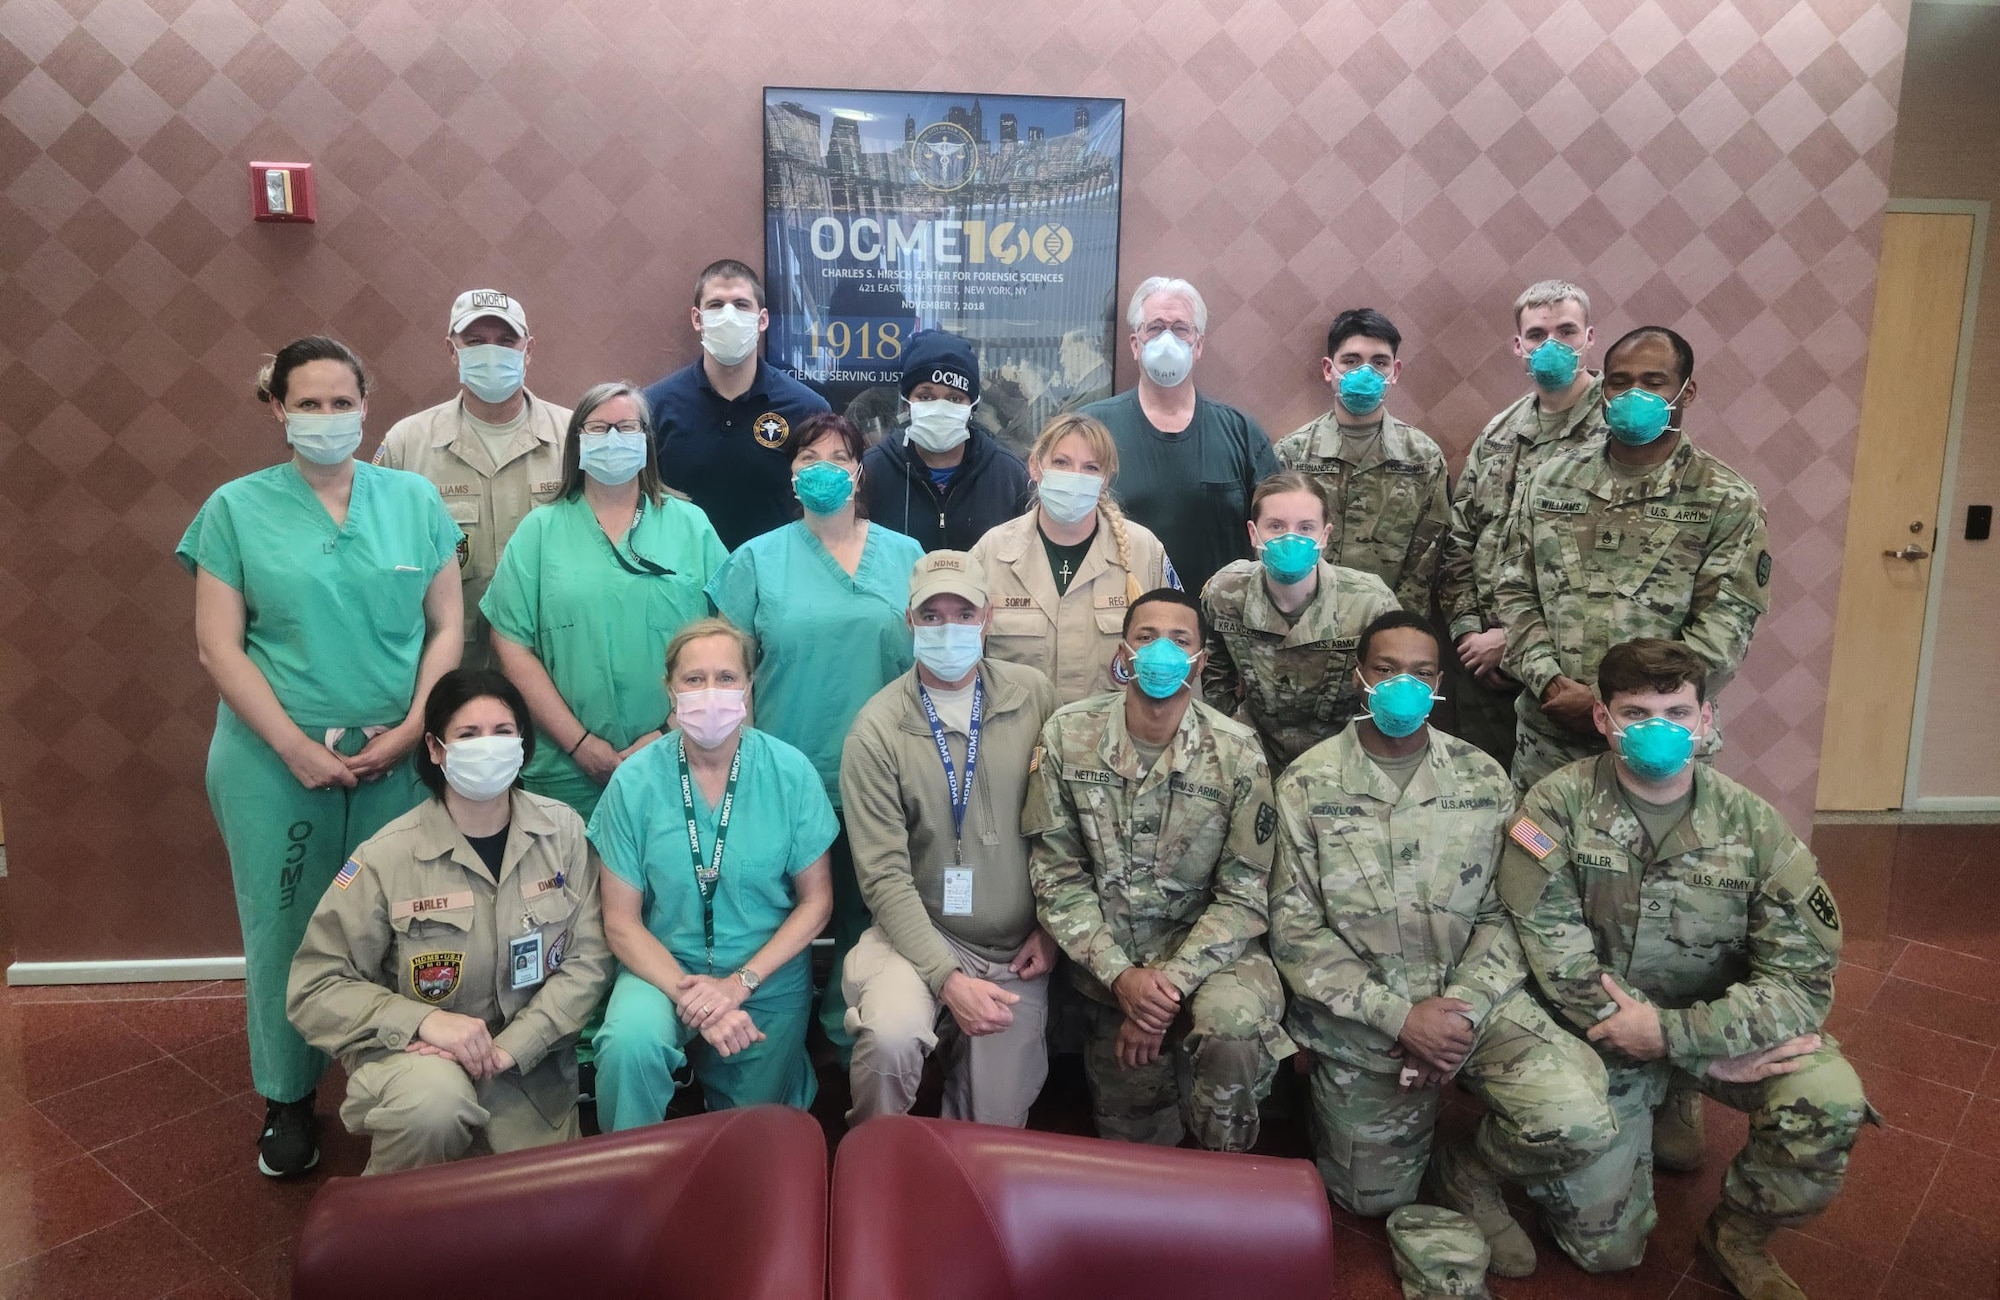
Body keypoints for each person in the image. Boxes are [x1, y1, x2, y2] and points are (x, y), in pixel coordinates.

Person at [1495, 639, 1869, 1300]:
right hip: (1599, 1035)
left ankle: (1738, 1236)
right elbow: (1554, 956)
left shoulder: (1755, 827)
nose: (1658, 728)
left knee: (1828, 1095)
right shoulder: (1553, 808)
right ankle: (1488, 1158)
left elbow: (1802, 979)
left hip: (1704, 1028)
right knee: (1607, 1254)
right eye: (1636, 712)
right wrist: (1648, 1039)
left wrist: (1682, 1041)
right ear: (1604, 721)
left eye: (1676, 711)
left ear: (1706, 721)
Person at [176, 336, 464, 1177]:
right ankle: (288, 1101)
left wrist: (416, 728)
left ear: (367, 406)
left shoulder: (413, 500)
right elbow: (217, 648)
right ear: (277, 409)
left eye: (343, 403)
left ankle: (409, 1080)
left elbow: (448, 624)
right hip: (273, 760)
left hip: (398, 752)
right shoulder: (234, 509)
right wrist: (295, 747)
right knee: (287, 932)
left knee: (417, 924)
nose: (327, 419)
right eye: (308, 404)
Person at [1268, 611, 1613, 1277]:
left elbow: (1511, 910)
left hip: (1475, 1011)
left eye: (1422, 673)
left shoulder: (1483, 779)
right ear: (1360, 676)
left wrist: (1455, 1012)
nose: (1405, 685)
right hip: (1365, 1021)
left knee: (1580, 1123)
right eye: (1389, 670)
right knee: (1371, 1200)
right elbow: (1295, 931)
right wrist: (1403, 1018)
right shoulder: (1306, 785)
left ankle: (1468, 1165)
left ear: (1440, 683)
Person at [287, 669, 610, 1174]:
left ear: (524, 745)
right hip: (421, 1064)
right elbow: (315, 987)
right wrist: (424, 1021)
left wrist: (510, 1048)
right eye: (468, 734)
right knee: (433, 1109)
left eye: (503, 733)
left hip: (528, 1069)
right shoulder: (387, 857)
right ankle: (383, 1234)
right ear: (436, 749)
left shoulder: (563, 833)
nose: (489, 747)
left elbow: (589, 960)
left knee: (530, 1230)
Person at [1020, 587, 1294, 1152]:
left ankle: (1227, 1175)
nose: (1161, 651)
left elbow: (1244, 897)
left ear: (1200, 658)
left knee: (1231, 1032)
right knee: (1135, 1149)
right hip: (1111, 972)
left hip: (1216, 964)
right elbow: (1057, 880)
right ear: (1124, 650)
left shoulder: (1238, 752)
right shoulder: (1068, 737)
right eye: (1146, 637)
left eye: (1180, 639)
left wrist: (1164, 990)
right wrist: (1122, 977)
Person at [706, 413, 925, 1056]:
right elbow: (726, 673)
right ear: (791, 475)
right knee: (780, 916)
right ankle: (771, 1047)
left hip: (882, 774)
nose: (823, 468)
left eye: (838, 456)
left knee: (866, 916)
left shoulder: (906, 556)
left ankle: (846, 1041)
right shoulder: (756, 560)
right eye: (808, 458)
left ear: (860, 471)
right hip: (784, 775)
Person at [1493, 325, 1769, 794]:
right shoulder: (1549, 480)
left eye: (1653, 381)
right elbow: (1514, 589)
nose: (1633, 393)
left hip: (1661, 744)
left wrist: (1611, 706)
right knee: (1539, 858)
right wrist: (1550, 683)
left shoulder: (1725, 498)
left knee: (1665, 863)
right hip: (1550, 739)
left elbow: (1725, 629)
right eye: (1619, 381)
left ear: (1687, 391)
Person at [841, 552, 1062, 1126]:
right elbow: (883, 876)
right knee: (889, 1040)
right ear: (910, 623)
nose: (948, 628)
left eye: (963, 612)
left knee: (993, 1127)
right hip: (916, 939)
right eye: (932, 615)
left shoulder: (1034, 695)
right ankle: (873, 1164)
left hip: (1017, 952)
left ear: (987, 618)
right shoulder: (877, 727)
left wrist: (1051, 929)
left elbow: (1067, 828)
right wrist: (947, 977)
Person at [589, 620, 836, 1125]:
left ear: (748, 688)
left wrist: (738, 985)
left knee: (755, 1135)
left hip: (763, 974)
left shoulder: (790, 773)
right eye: (694, 679)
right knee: (627, 1045)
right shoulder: (634, 782)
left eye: (726, 677)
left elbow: (817, 903)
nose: (710, 692)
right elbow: (620, 922)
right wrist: (700, 998)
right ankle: (629, 1180)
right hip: (662, 969)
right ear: (670, 690)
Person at [482, 382, 725, 822]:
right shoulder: (540, 531)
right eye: (598, 428)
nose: (613, 439)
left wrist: (668, 733)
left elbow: (726, 637)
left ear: (647, 441)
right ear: (577, 442)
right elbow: (511, 645)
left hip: (680, 755)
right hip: (566, 768)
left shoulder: (691, 525)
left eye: (626, 427)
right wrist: (579, 744)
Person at [1437, 281, 1605, 769]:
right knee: (1492, 805)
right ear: (1519, 346)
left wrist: (1515, 644)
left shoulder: (1620, 434)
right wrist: (1469, 633)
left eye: (1566, 331)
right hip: (1482, 671)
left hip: (1567, 676)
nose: (1551, 345)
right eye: (1537, 334)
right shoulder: (1499, 433)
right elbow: (1460, 538)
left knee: (1557, 814)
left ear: (1589, 337)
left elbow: (1621, 567)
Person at [374, 290, 569, 668]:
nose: (492, 352)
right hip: (447, 666)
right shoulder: (407, 443)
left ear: (528, 349)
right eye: (476, 342)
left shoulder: (574, 437)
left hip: (552, 660)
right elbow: (377, 558)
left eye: (506, 341)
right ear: (452, 350)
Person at [1078, 276, 1281, 595]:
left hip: (1219, 630)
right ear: (1135, 344)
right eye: (1156, 328)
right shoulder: (1091, 428)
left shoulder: (1241, 433)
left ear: (1198, 345)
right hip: (1118, 623)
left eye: (1180, 328)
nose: (1167, 339)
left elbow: (1276, 531)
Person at [971, 412, 1177, 704]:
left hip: (1109, 741)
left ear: (1105, 480)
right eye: (1061, 463)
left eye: (1091, 467)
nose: (1074, 477)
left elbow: (1176, 658)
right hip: (1018, 742)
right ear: (1035, 467)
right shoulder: (992, 552)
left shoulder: (1145, 552)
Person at [1200, 471, 1399, 773]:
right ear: (1254, 533)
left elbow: (1389, 692)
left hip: (1343, 761)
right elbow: (1216, 677)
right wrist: (1231, 740)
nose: (1290, 539)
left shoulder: (1369, 603)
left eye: (1306, 528)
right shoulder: (1225, 594)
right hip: (1254, 755)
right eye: (1276, 526)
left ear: (1325, 536)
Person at [644, 259, 831, 550]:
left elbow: (822, 507)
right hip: (682, 577)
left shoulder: (807, 408)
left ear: (763, 319)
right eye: (716, 305)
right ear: (697, 319)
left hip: (774, 579)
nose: (729, 315)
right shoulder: (654, 406)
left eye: (741, 305)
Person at [1274, 308, 1449, 611]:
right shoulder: (1293, 454)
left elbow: (1428, 558)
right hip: (1306, 624)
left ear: (1394, 372)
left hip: (1389, 627)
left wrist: (1395, 625)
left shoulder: (1423, 458)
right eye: (1351, 361)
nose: (1365, 372)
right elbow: (1277, 545)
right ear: (1329, 369)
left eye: (1379, 362)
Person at [861, 329, 1032, 551]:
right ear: (906, 403)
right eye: (926, 396)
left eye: (954, 398)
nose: (940, 408)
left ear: (972, 407)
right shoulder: (872, 471)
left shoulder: (1008, 476)